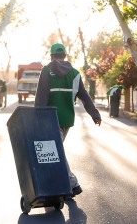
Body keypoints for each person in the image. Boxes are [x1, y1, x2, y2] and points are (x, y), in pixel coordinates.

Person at [35, 43, 102, 198]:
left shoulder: (46, 71)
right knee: (54, 152)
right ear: (65, 56)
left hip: (50, 120)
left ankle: (72, 184)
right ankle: (58, 186)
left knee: (55, 152)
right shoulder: (75, 74)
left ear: (51, 56)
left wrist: (36, 120)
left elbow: (41, 98)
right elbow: (84, 96)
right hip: (67, 120)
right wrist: (95, 114)